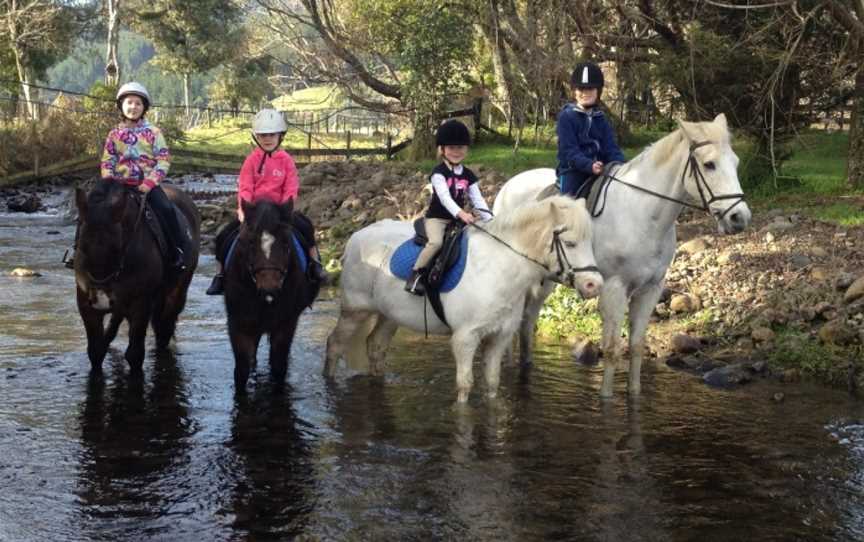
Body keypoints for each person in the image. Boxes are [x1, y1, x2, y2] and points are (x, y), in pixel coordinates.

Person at [206, 108, 328, 295]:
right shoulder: (251, 161)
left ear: (280, 135)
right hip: (254, 212)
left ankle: (314, 265)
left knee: (306, 227)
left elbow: (291, 187)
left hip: (280, 212)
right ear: (256, 137)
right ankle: (220, 275)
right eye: (262, 135)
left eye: (271, 134)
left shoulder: (286, 161)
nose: (267, 139)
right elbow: (245, 187)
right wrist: (244, 209)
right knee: (224, 235)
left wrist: (286, 208)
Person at [65, 81, 185, 270]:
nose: (133, 107)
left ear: (144, 107)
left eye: (138, 103)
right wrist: (108, 180)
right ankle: (76, 250)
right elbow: (107, 160)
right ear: (121, 105)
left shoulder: (154, 132)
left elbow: (163, 160)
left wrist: (149, 183)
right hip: (116, 184)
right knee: (89, 208)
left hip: (145, 184)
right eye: (129, 102)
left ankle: (176, 251)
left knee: (166, 208)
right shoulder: (114, 134)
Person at [405, 119, 491, 296]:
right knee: (436, 242)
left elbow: (477, 199)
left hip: (457, 220)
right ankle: (416, 275)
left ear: (466, 149)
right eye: (451, 148)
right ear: (442, 149)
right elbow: (444, 198)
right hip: (437, 218)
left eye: (460, 147)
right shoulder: (438, 173)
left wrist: (491, 220)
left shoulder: (468, 175)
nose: (456, 152)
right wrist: (461, 213)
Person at [556, 61, 626, 198]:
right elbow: (569, 151)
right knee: (568, 207)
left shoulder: (601, 118)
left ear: (598, 91)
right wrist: (589, 165)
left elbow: (610, 146)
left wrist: (621, 164)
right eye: (581, 89)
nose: (585, 93)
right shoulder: (567, 116)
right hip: (573, 171)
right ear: (574, 91)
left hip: (601, 169)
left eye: (590, 89)